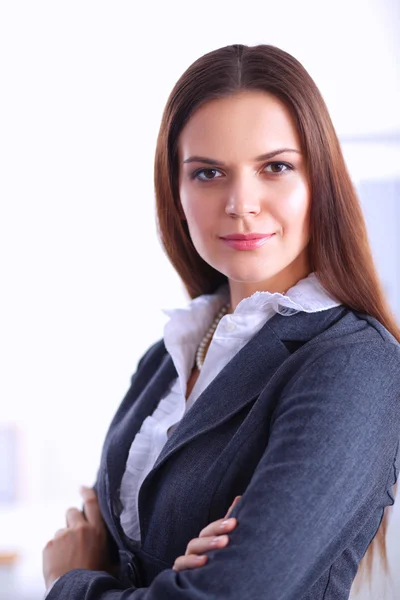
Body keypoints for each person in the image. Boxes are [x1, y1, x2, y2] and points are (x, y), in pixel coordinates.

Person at [42, 43, 400, 599]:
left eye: (275, 167)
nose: (240, 202)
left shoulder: (353, 363)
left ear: (320, 181)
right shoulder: (169, 354)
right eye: (208, 172)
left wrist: (69, 584)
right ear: (176, 191)